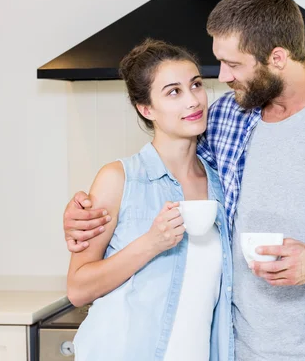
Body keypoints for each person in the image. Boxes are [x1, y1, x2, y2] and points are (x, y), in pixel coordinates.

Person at [63, 0, 305, 361]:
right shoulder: (227, 118)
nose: (222, 77)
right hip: (233, 351)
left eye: (234, 64)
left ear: (277, 58)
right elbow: (168, 168)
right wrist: (84, 214)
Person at [65, 39, 233, 361]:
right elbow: (78, 288)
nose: (193, 101)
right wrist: (151, 243)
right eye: (173, 92)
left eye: (195, 85)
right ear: (146, 109)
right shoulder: (118, 179)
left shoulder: (221, 185)